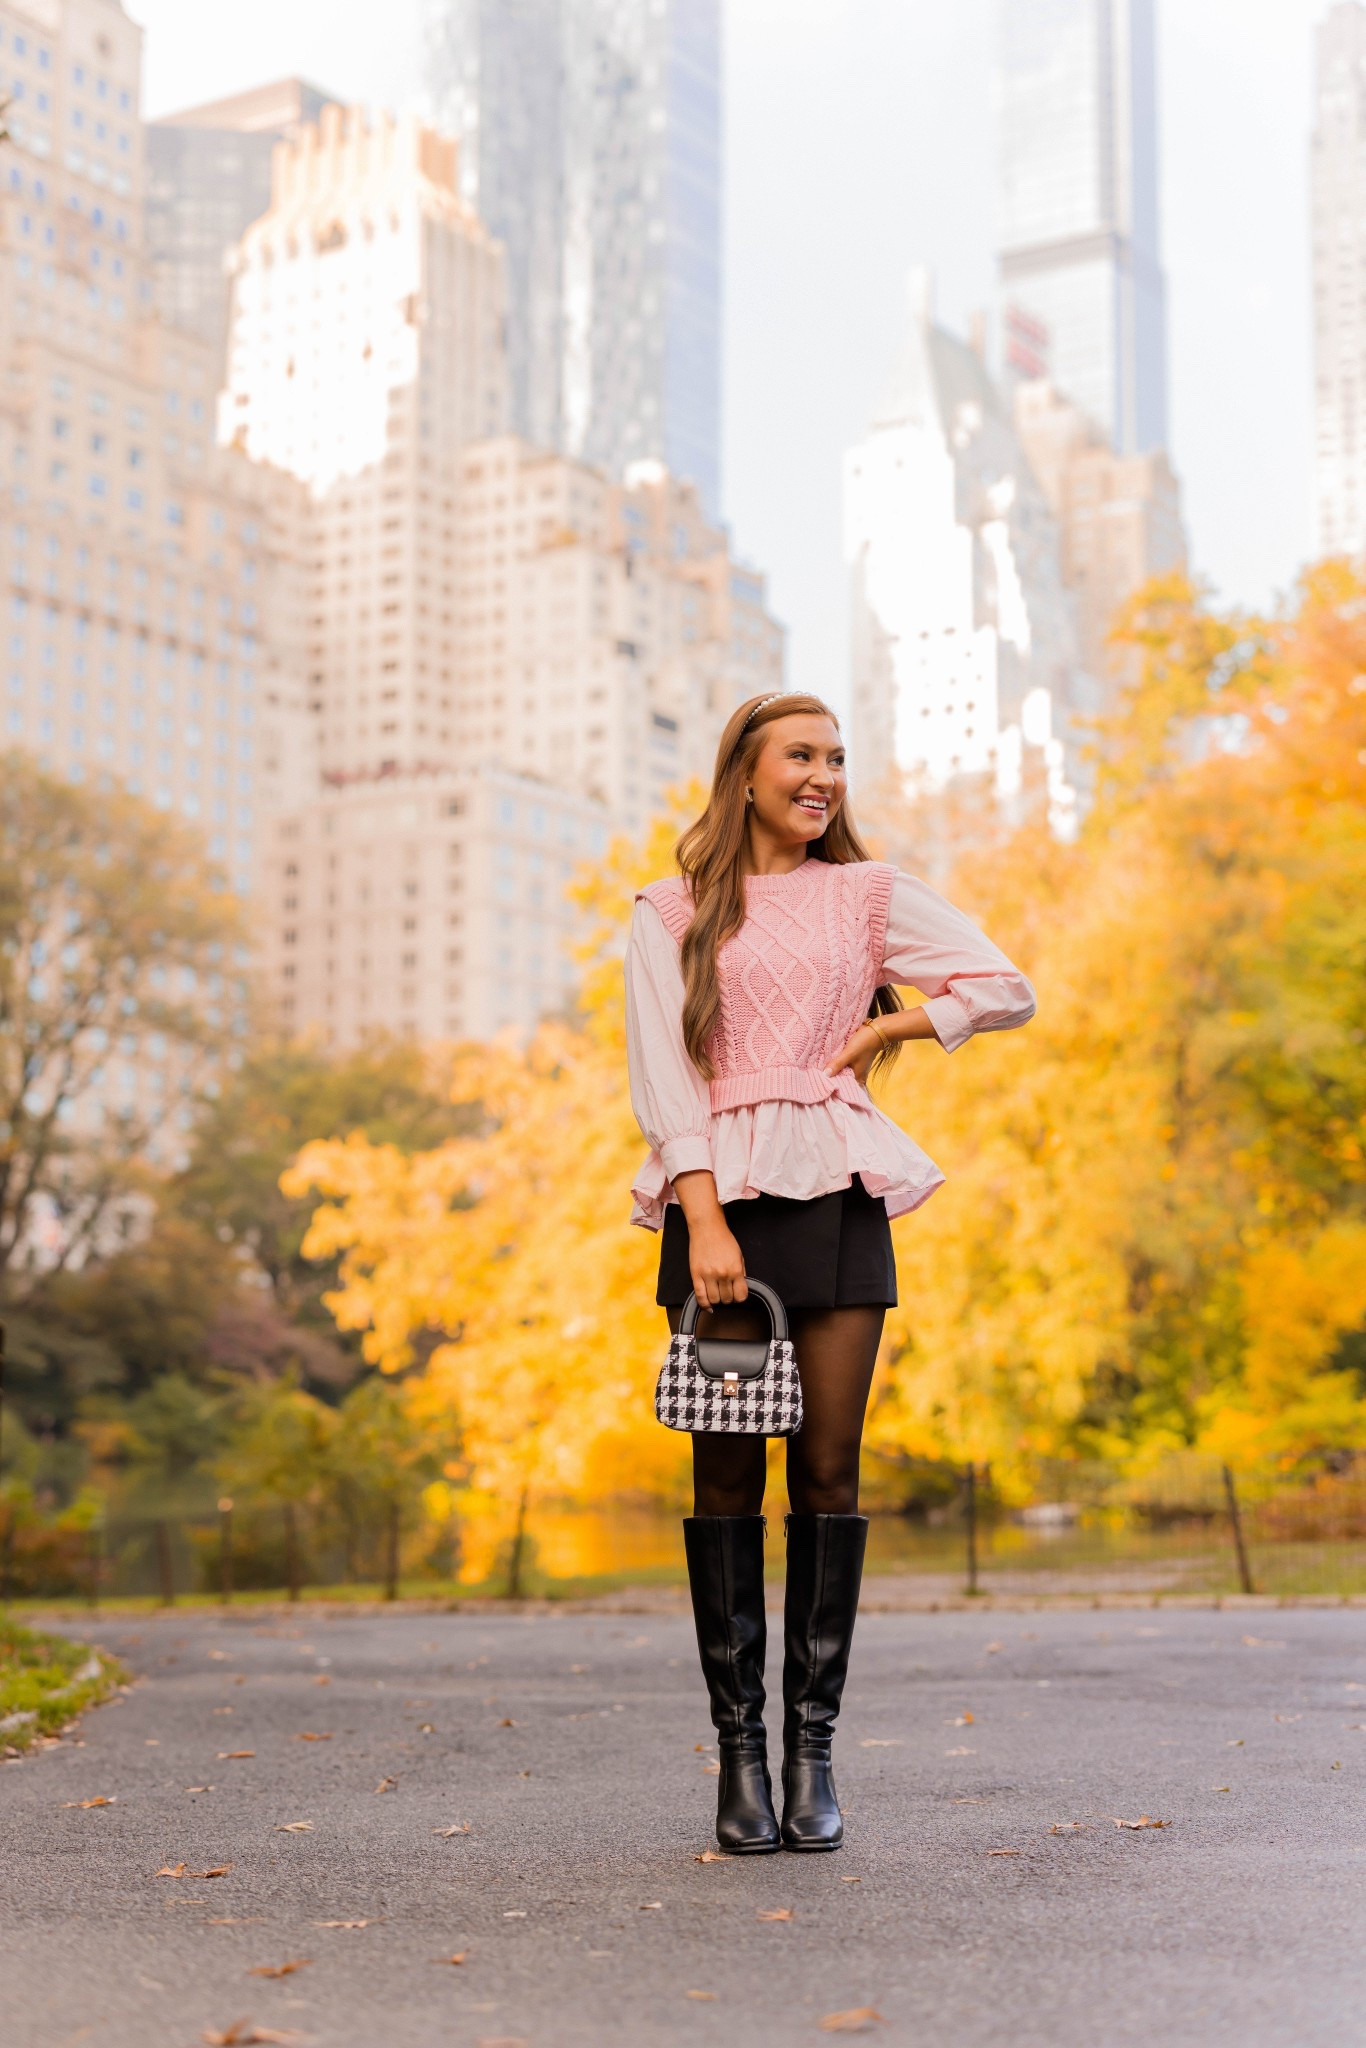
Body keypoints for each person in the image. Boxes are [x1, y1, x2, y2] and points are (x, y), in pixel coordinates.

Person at [625, 692, 1036, 1855]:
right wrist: (703, 1220)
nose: (824, 776)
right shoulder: (672, 909)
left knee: (830, 1467)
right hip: (723, 1212)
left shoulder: (865, 895)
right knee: (723, 1481)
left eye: (838, 758)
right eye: (801, 756)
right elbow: (662, 1078)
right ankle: (738, 1759)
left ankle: (812, 1755)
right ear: (743, 775)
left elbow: (1005, 985)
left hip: (839, 1194)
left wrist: (888, 1032)